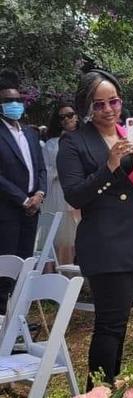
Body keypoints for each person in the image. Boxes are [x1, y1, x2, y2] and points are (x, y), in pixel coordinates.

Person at [57, 69, 133, 387]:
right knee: (109, 324)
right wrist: (110, 166)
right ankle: (98, 390)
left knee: (120, 322)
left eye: (113, 101)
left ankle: (111, 386)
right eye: (99, 104)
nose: (108, 109)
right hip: (103, 242)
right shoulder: (73, 142)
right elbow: (75, 194)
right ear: (87, 107)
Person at [0, 69, 46, 313]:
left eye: (17, 100)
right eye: (8, 101)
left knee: (25, 267)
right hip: (8, 211)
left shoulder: (29, 132)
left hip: (32, 211)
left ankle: (19, 319)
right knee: (5, 270)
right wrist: (22, 199)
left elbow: (41, 168)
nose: (14, 104)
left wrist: (39, 194)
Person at [42, 101, 80, 265]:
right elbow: (46, 170)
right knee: (64, 237)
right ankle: (64, 272)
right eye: (62, 117)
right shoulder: (52, 144)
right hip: (60, 194)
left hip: (83, 190)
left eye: (70, 115)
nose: (67, 119)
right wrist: (63, 169)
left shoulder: (85, 138)